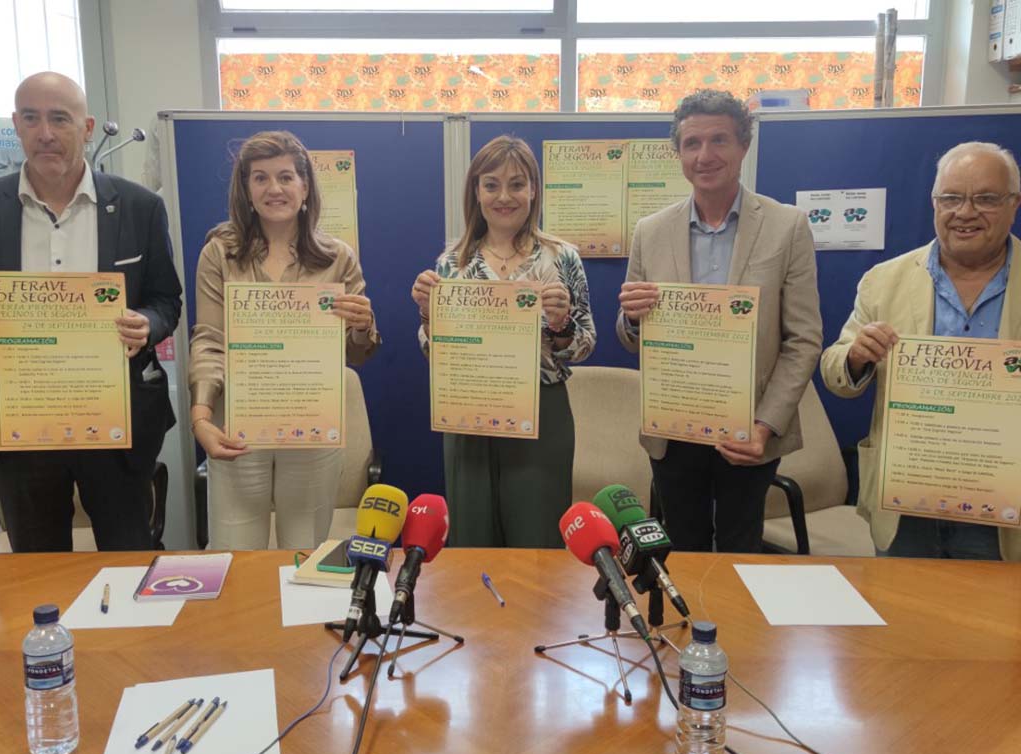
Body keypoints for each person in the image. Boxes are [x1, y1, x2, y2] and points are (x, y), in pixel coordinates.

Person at [616, 89, 822, 553]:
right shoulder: (650, 231)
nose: (704, 155)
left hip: (748, 431)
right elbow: (632, 337)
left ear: (743, 146)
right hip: (674, 430)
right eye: (692, 144)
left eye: (719, 140)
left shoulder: (787, 226)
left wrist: (765, 426)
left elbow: (804, 341)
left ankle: (737, 629)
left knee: (740, 549)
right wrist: (632, 319)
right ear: (679, 154)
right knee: (682, 549)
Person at [0, 72, 182, 551]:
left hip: (117, 422)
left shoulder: (140, 206)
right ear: (16, 123)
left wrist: (147, 324)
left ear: (87, 126)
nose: (45, 133)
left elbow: (167, 299)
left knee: (128, 560)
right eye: (32, 118)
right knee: (38, 568)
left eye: (60, 118)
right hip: (22, 427)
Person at [821, 141, 1021, 561]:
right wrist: (857, 356)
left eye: (985, 198)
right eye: (951, 198)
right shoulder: (884, 279)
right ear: (934, 203)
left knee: (992, 626)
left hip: (1003, 509)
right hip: (908, 501)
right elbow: (835, 371)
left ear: (1013, 203)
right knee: (903, 621)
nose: (965, 212)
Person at [189, 130, 380, 550]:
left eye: (285, 177)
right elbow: (209, 340)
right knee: (235, 556)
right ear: (246, 189)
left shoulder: (337, 257)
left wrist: (363, 325)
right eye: (260, 178)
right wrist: (201, 417)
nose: (273, 188)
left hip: (310, 426)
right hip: (237, 428)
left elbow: (355, 353)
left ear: (305, 186)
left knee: (304, 555)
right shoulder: (219, 253)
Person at [411, 135, 596, 547]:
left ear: (534, 189)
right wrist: (428, 314)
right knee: (473, 539)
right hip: (468, 411)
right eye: (491, 184)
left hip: (540, 414)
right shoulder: (452, 263)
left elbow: (585, 343)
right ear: (476, 192)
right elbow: (434, 354)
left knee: (537, 540)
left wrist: (562, 322)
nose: (504, 196)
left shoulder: (560, 257)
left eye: (517, 184)